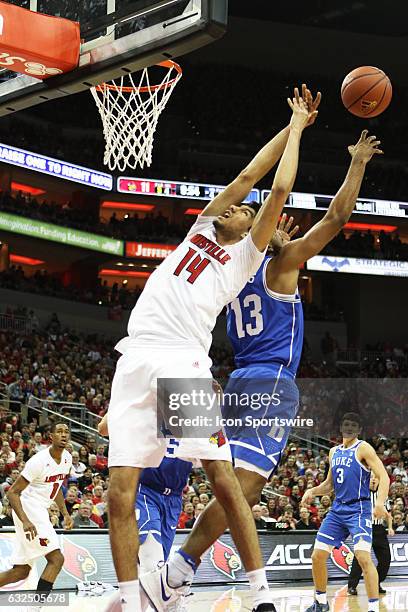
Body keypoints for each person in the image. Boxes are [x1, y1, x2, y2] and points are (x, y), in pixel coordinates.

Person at [107, 88, 318, 612]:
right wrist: (284, 126)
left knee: (223, 480)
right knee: (118, 493)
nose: (241, 208)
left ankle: (260, 593)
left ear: (252, 231)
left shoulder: (245, 258)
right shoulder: (203, 226)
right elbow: (250, 174)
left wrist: (298, 129)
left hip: (183, 361)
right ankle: (134, 600)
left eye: (247, 213)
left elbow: (277, 187)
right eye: (238, 208)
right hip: (134, 357)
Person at [172, 125, 382, 595]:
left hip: (235, 380)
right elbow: (336, 219)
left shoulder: (228, 275)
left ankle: (174, 563)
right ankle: (181, 568)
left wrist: (270, 243)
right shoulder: (280, 268)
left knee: (221, 482)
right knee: (243, 490)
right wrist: (358, 163)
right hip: (270, 382)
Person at [98, 416, 192, 610]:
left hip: (174, 498)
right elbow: (103, 428)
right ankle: (172, 604)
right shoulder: (150, 395)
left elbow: (217, 443)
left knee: (142, 581)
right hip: (145, 490)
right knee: (154, 568)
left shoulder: (197, 410)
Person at [301, 413, 390, 612]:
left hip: (359, 509)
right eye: (346, 424)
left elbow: (384, 477)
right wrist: (312, 491)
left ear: (358, 430)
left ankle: (374, 608)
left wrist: (380, 503)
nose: (349, 428)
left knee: (363, 557)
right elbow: (329, 485)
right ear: (341, 427)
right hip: (337, 510)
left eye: (354, 426)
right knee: (317, 556)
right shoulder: (334, 452)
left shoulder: (363, 448)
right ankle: (321, 603)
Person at [0, 422, 73, 598]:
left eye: (66, 432)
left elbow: (56, 487)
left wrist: (65, 513)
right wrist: (25, 520)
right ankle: (35, 607)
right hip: (29, 508)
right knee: (56, 560)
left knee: (21, 571)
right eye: (59, 431)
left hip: (40, 510)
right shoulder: (38, 461)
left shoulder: (67, 458)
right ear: (51, 437)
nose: (63, 435)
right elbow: (13, 494)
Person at [347, 473, 394, 596]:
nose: (373, 480)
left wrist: (390, 527)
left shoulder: (383, 496)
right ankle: (352, 586)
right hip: (364, 527)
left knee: (386, 559)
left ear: (379, 481)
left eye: (376, 478)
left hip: (379, 529)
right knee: (359, 559)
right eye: (371, 477)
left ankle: (376, 583)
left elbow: (388, 514)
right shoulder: (361, 494)